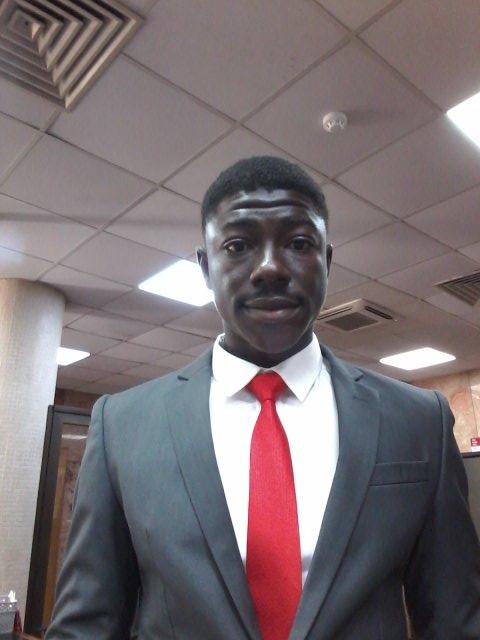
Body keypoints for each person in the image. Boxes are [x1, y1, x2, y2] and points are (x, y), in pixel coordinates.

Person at [46, 156, 480, 640]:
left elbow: (457, 622)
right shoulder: (124, 426)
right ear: (206, 267)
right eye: (238, 245)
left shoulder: (417, 422)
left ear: (326, 263)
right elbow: (86, 626)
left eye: (298, 243)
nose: (270, 267)